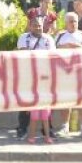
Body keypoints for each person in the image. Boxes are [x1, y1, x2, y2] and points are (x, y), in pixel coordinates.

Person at [15, 12, 55, 140]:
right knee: (26, 102)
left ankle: (48, 130)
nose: (38, 28)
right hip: (28, 75)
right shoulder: (23, 37)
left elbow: (52, 57)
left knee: (46, 102)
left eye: (40, 25)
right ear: (30, 26)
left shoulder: (49, 39)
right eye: (35, 25)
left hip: (44, 76)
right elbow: (23, 54)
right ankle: (22, 128)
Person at [55, 12, 82, 137]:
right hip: (64, 73)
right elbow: (53, 52)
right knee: (65, 100)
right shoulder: (59, 36)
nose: (73, 23)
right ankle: (65, 127)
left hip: (81, 73)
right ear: (65, 23)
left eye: (75, 21)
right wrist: (65, 47)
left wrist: (77, 46)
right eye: (70, 21)